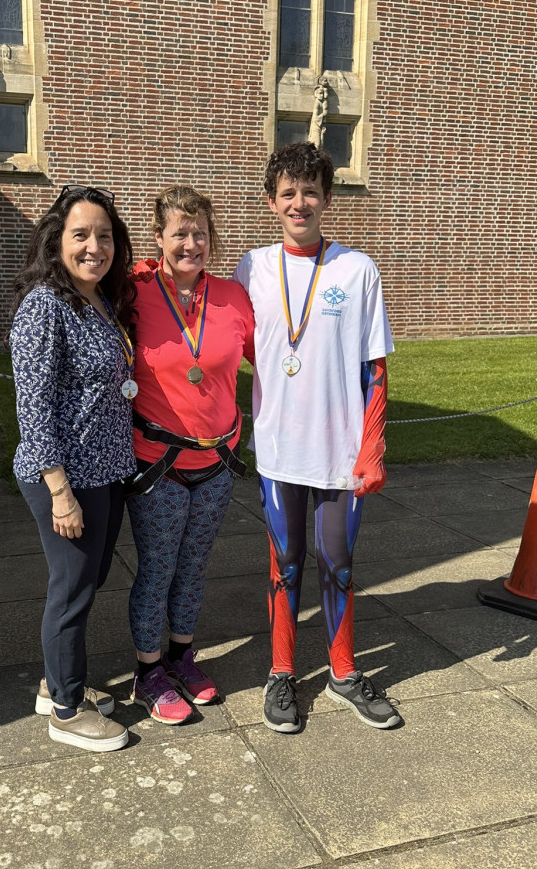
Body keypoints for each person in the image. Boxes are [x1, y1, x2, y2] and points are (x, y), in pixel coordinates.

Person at [232, 141, 399, 733]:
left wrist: (372, 447)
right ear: (271, 201)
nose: (299, 202)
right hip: (279, 450)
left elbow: (375, 366)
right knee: (285, 563)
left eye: (309, 192)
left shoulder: (357, 269)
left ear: (327, 199)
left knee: (339, 562)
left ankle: (343, 671)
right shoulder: (250, 268)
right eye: (287, 192)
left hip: (339, 453)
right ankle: (281, 673)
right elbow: (219, 331)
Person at [9, 184, 136, 752]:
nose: (94, 247)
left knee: (89, 579)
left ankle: (55, 682)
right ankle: (65, 708)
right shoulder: (45, 306)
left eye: (104, 236)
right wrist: (60, 491)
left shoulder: (100, 300)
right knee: (72, 589)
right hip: (65, 476)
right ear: (56, 242)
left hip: (105, 468)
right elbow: (32, 406)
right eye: (80, 235)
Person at [126, 186, 254, 723]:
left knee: (194, 568)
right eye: (179, 232)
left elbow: (275, 361)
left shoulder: (232, 298)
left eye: (200, 232)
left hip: (217, 464)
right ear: (159, 239)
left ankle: (182, 655)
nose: (191, 242)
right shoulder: (132, 290)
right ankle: (148, 672)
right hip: (158, 466)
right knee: (158, 568)